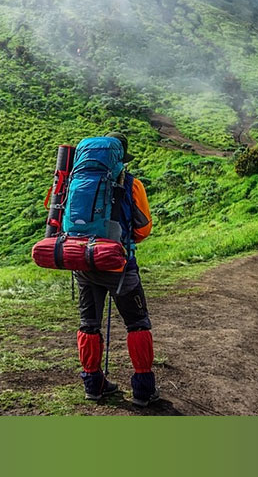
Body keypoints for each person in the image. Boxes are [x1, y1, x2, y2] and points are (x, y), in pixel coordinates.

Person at [73, 131, 159, 408]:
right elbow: (143, 229)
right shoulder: (132, 184)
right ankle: (143, 391)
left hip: (82, 261)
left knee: (89, 325)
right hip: (119, 265)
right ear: (120, 157)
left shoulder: (75, 180)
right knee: (137, 324)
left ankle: (93, 385)